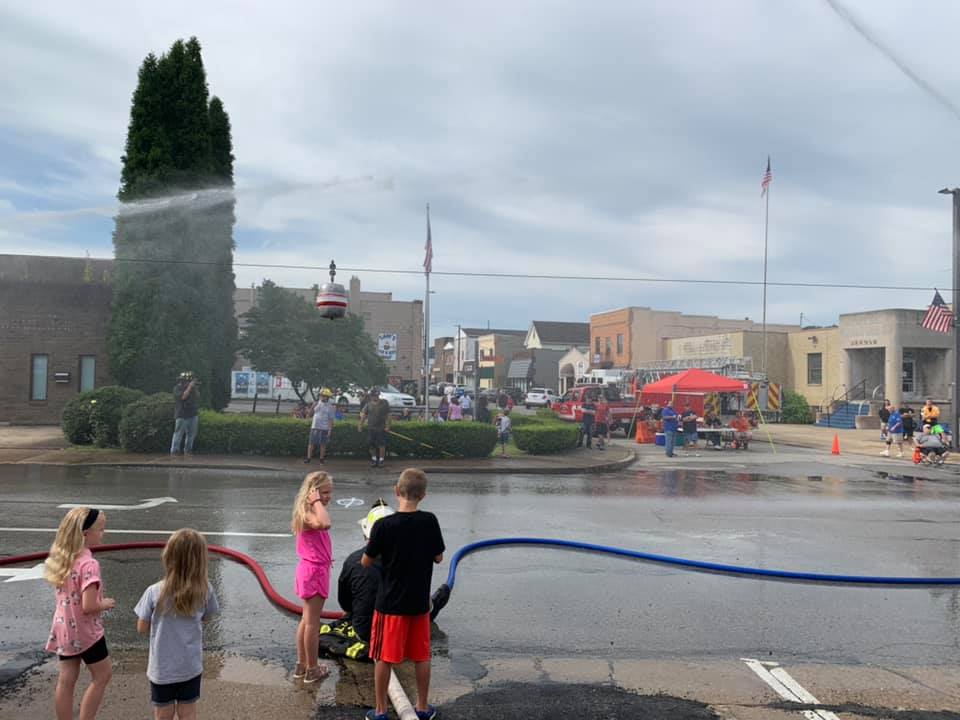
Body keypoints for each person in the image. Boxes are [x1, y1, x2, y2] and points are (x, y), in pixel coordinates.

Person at [362, 469, 445, 720]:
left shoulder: (383, 525)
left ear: (397, 491)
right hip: (419, 603)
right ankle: (421, 707)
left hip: (389, 605)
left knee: (383, 657)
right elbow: (439, 557)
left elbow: (366, 561)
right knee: (421, 655)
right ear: (424, 495)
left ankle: (380, 711)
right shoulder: (429, 520)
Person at [134, 529, 219, 720]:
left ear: (169, 557)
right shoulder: (206, 590)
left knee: (163, 713)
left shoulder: (154, 591)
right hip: (190, 666)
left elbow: (142, 627)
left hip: (162, 669)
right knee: (188, 711)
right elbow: (207, 617)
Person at [44, 507, 115, 720]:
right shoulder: (89, 564)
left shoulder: (62, 559)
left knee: (66, 679)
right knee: (102, 675)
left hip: (64, 627)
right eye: (101, 529)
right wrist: (105, 603)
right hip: (86, 632)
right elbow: (89, 605)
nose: (103, 533)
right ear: (85, 534)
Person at [329, 501, 396, 659]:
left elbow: (345, 602)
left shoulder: (354, 560)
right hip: (401, 631)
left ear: (366, 532)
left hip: (365, 631)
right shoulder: (409, 559)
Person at [291, 472, 334, 684]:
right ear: (312, 492)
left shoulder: (308, 512)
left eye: (329, 493)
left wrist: (318, 501)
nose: (328, 497)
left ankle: (302, 665)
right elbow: (325, 523)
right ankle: (312, 669)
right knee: (312, 624)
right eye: (324, 492)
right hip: (314, 571)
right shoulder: (309, 513)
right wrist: (317, 501)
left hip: (311, 570)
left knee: (306, 620)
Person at [359, 388, 391, 468]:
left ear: (378, 395)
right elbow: (363, 415)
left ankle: (381, 460)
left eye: (376, 395)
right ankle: (373, 459)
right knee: (371, 445)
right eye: (372, 395)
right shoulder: (368, 404)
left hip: (381, 428)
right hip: (371, 428)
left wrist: (388, 426)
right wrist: (360, 425)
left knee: (382, 445)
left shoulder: (384, 403)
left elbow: (388, 415)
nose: (374, 397)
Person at [170, 372, 200, 456]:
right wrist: (190, 387)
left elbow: (197, 396)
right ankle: (174, 451)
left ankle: (188, 451)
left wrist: (194, 388)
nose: (188, 383)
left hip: (193, 414)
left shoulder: (192, 389)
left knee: (191, 434)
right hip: (181, 415)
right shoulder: (177, 388)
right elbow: (183, 397)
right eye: (187, 381)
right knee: (178, 433)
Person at [305, 388, 336, 464]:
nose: (322, 397)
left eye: (324, 396)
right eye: (321, 395)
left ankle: (321, 459)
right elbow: (309, 415)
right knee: (311, 443)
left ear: (327, 397)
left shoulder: (330, 407)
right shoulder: (316, 403)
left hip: (324, 428)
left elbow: (331, 420)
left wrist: (330, 430)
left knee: (323, 444)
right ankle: (308, 458)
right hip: (314, 426)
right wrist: (312, 407)